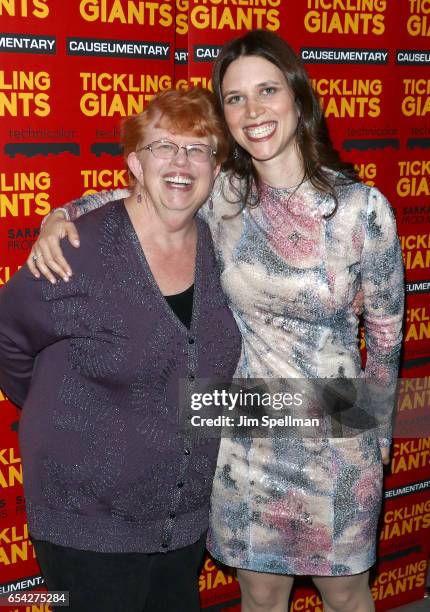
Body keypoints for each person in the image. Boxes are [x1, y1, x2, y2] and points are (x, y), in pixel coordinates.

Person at [25, 30, 404, 612]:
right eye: (234, 98)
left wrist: (375, 435)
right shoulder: (224, 196)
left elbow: (384, 333)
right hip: (246, 423)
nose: (252, 111)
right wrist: (59, 216)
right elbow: (137, 194)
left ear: (297, 99)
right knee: (259, 593)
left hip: (336, 420)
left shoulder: (361, 209)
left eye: (267, 90)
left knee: (347, 594)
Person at [0, 87, 242, 612]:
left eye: (197, 149)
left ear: (215, 169)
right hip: (85, 522)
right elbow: (8, 336)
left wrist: (359, 410)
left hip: (181, 515)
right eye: (164, 146)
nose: (181, 161)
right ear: (135, 161)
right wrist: (66, 411)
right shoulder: (78, 250)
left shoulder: (226, 251)